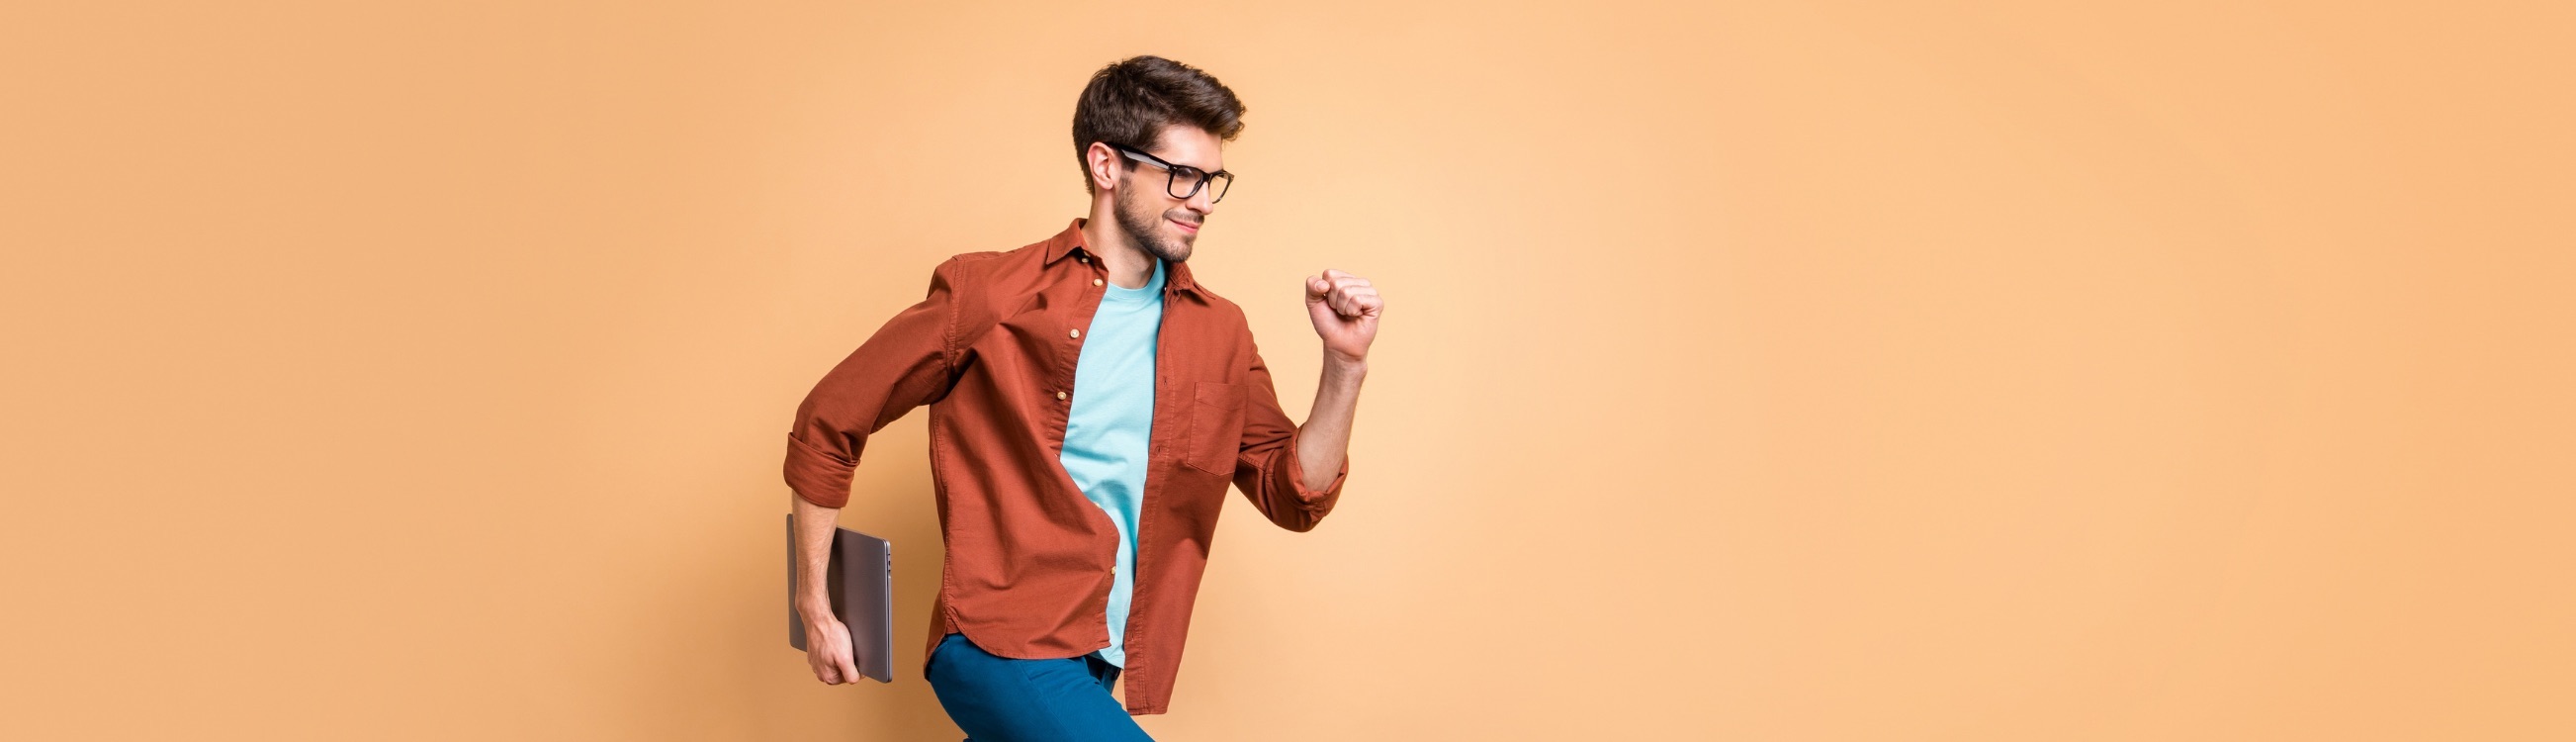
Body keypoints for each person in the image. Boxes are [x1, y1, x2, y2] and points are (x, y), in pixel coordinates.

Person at [781, 54, 1382, 741]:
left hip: (1101, 656)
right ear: (1106, 165)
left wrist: (1344, 363)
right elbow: (830, 418)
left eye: (1211, 179)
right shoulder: (990, 294)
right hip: (996, 642)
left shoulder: (1219, 331)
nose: (1202, 201)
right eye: (1181, 175)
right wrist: (815, 603)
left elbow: (1293, 494)